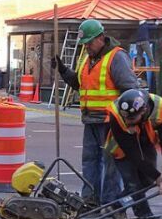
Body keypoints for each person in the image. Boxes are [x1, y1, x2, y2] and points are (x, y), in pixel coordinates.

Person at [54, 18, 138, 207]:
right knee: (90, 162)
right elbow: (79, 83)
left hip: (111, 122)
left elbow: (131, 90)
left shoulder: (116, 57)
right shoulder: (87, 59)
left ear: (101, 38)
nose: (87, 47)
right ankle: (90, 201)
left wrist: (128, 120)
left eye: (89, 43)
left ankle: (112, 204)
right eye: (84, 44)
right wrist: (63, 70)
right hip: (91, 120)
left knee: (112, 166)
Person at [104, 89, 162, 218]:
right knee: (134, 185)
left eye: (131, 118)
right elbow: (133, 153)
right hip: (121, 148)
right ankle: (145, 217)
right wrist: (157, 175)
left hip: (145, 143)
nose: (127, 122)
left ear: (143, 111)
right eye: (125, 117)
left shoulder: (161, 108)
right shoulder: (116, 113)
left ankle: (115, 207)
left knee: (146, 181)